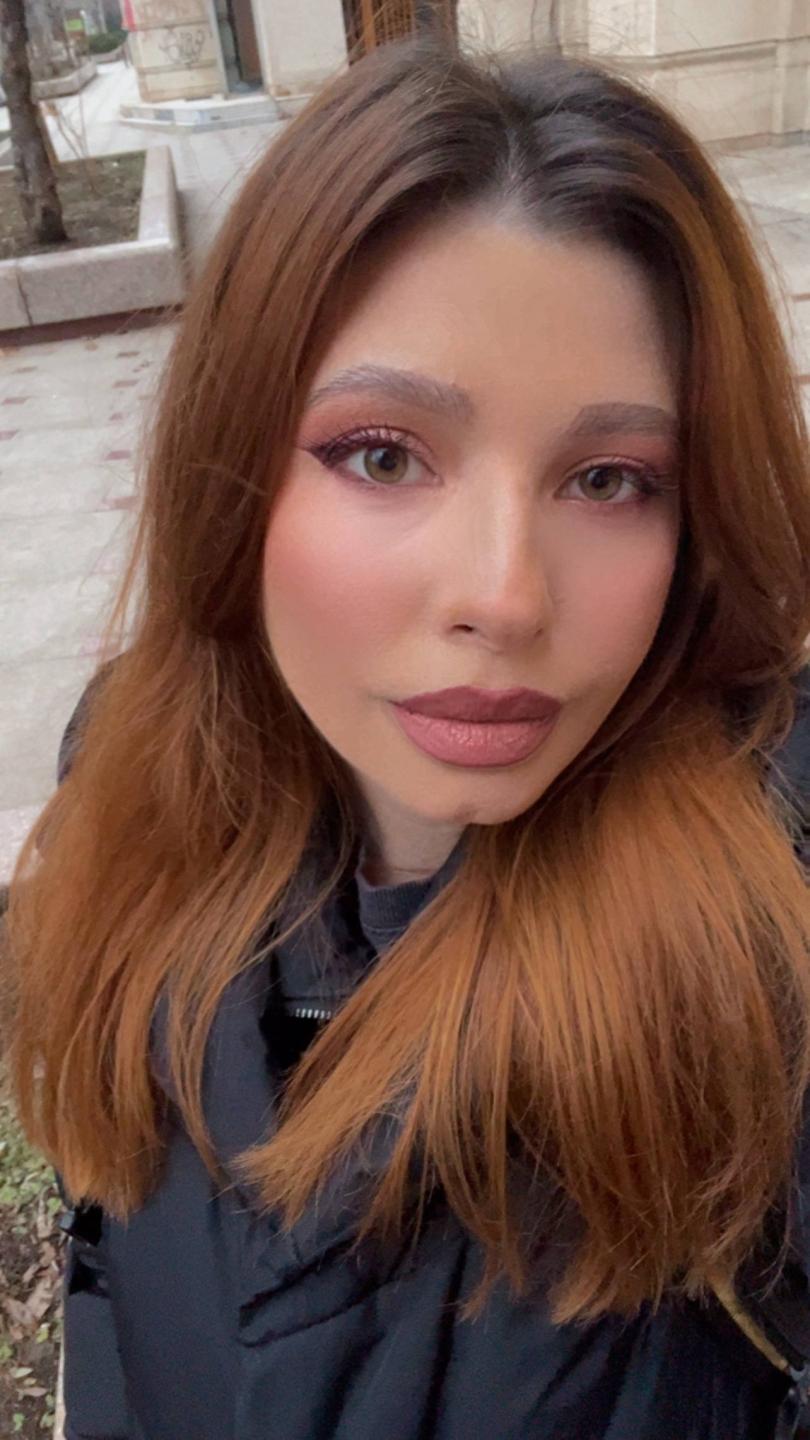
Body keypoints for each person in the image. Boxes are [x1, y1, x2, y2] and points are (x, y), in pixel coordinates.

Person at [4, 35, 810, 1440]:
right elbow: (112, 1261)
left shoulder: (769, 919)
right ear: (232, 467)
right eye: (382, 455)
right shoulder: (127, 783)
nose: (504, 595)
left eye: (609, 479)